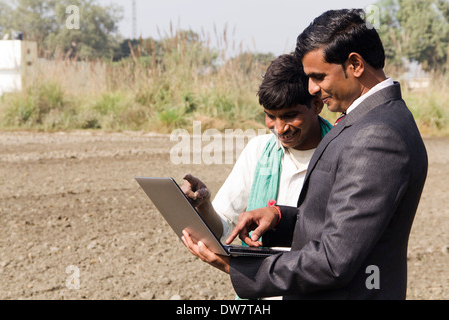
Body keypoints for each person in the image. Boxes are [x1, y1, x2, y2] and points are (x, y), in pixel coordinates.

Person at [182, 9, 428, 300]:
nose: (312, 88)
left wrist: (237, 266)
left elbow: (333, 260)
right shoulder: (372, 119)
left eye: (318, 76)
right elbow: (342, 222)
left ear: (355, 64)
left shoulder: (376, 135)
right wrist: (279, 217)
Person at [181, 53, 332, 243]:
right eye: (271, 116)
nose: (279, 128)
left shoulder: (342, 151)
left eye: (290, 116)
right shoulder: (259, 150)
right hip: (261, 271)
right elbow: (222, 227)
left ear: (317, 105)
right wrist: (203, 206)